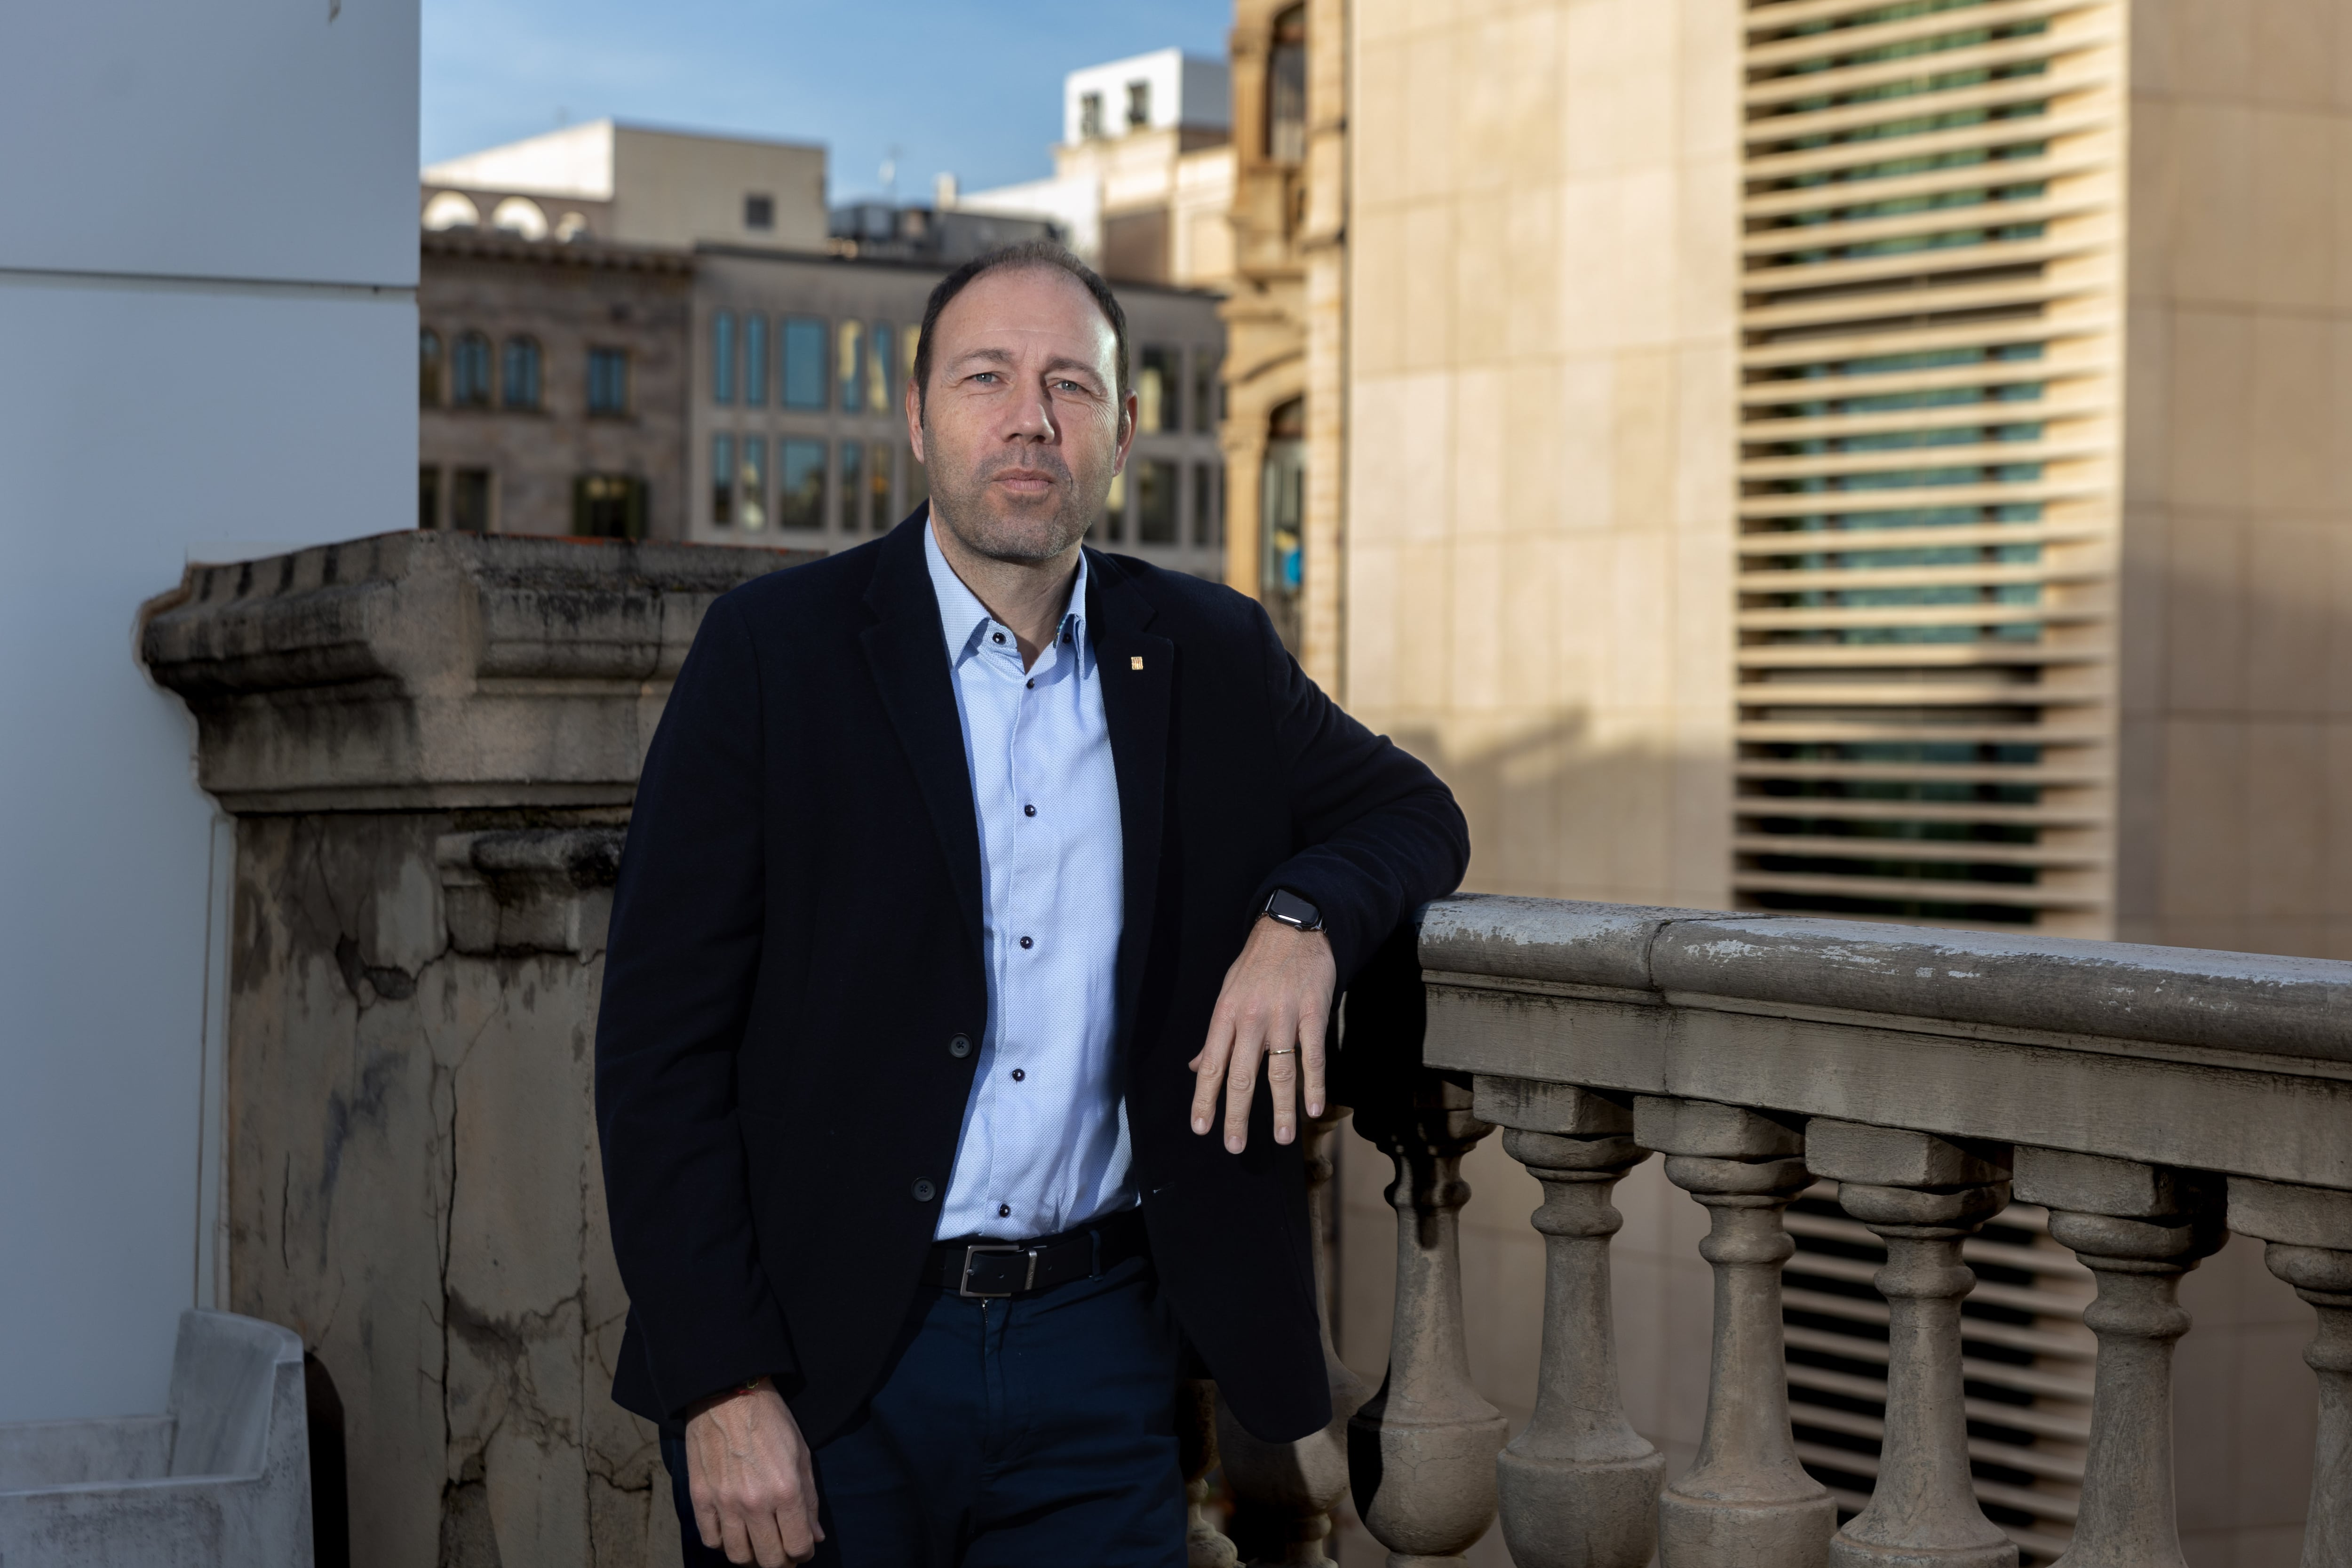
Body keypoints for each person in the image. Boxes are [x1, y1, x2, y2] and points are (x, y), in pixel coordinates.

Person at [595, 240, 1469, 1568]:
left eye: (1071, 384)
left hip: (1100, 1364)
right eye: (986, 377)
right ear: (917, 416)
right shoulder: (772, 657)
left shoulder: (1211, 653)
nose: (1029, 419)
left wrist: (1305, 923)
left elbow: (1416, 814)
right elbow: (657, 1055)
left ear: (1122, 430)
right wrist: (722, 1387)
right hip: (829, 1366)